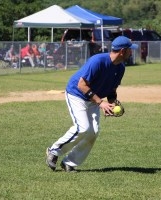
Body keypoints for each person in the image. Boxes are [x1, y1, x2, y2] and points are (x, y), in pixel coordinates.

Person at [45, 36, 138, 172]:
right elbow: (81, 85)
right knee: (82, 128)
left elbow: (112, 91)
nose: (132, 52)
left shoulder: (121, 68)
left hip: (93, 99)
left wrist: (113, 104)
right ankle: (53, 151)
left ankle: (69, 163)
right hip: (77, 94)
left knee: (92, 132)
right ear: (123, 51)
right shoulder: (98, 61)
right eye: (130, 50)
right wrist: (101, 103)